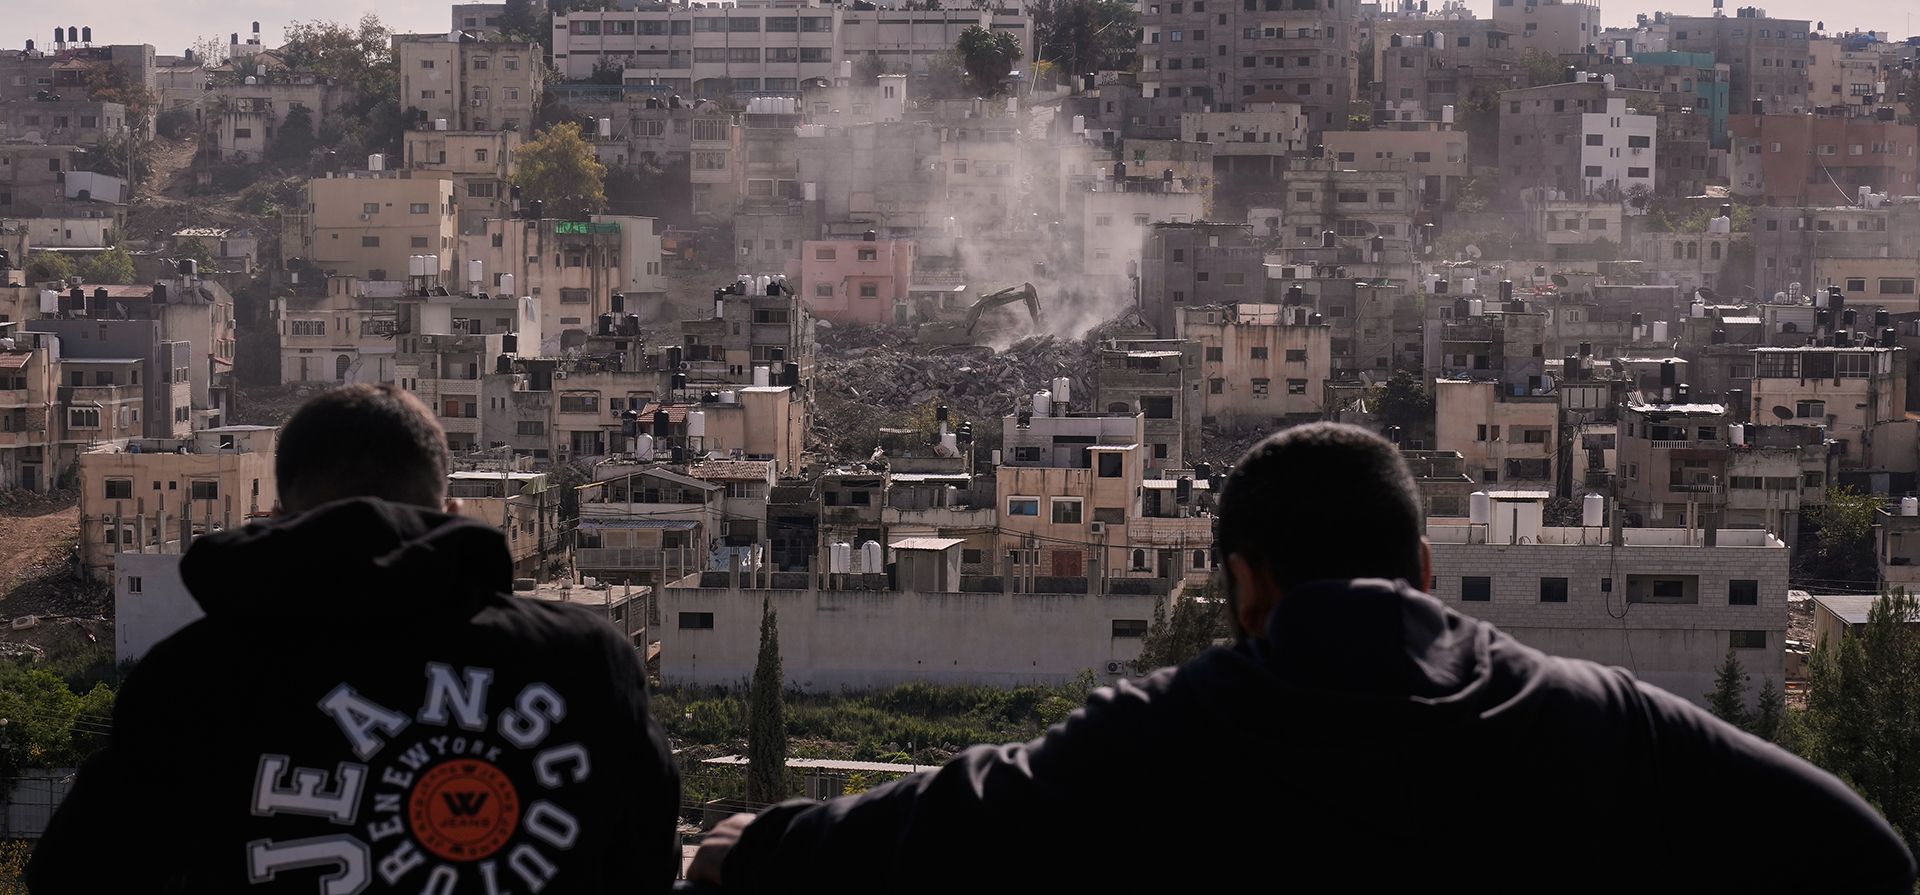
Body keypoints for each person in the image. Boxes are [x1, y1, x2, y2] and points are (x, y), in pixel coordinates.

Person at [694, 422, 1914, 893]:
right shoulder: (1598, 721)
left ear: (1245, 584)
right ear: (1427, 569)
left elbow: (961, 819)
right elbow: (1862, 856)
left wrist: (770, 842)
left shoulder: (1171, 734)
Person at [30, 384, 679, 894]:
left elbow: (76, 873)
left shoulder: (192, 680)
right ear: (452, 509)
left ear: (280, 516)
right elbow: (645, 862)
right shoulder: (583, 663)